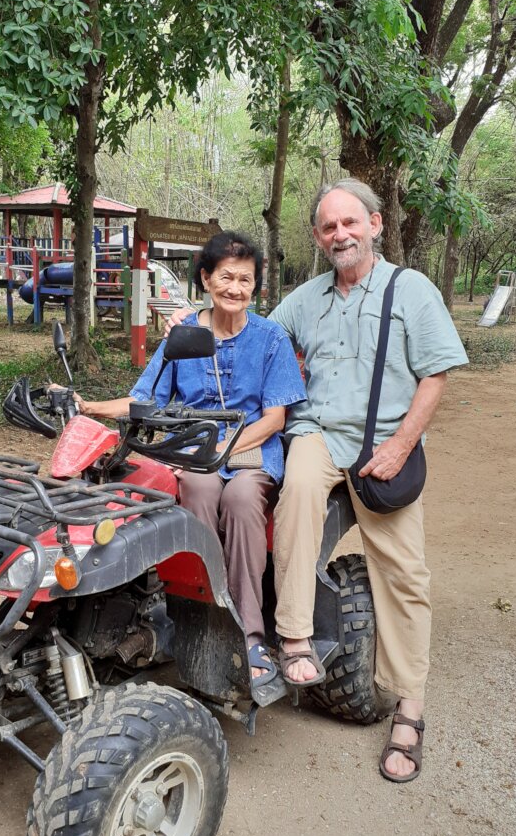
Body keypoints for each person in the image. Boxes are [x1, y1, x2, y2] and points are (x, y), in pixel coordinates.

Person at [267, 178, 468, 783]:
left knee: (404, 573)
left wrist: (402, 444)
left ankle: (410, 706)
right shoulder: (304, 299)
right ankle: (294, 637)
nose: (340, 235)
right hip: (319, 434)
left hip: (384, 443)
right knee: (297, 490)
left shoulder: (411, 291)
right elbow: (260, 340)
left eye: (350, 223)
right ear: (317, 237)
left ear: (375, 225)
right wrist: (193, 324)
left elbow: (435, 376)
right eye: (329, 227)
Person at [73, 230, 306, 687]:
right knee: (195, 490)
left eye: (245, 279)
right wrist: (91, 407)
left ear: (255, 286)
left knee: (240, 500)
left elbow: (274, 419)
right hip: (193, 455)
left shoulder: (270, 338)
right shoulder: (183, 335)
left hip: (249, 451)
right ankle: (200, 617)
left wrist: (222, 448)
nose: (235, 288)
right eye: (226, 277)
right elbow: (145, 399)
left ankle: (250, 632)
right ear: (205, 278)